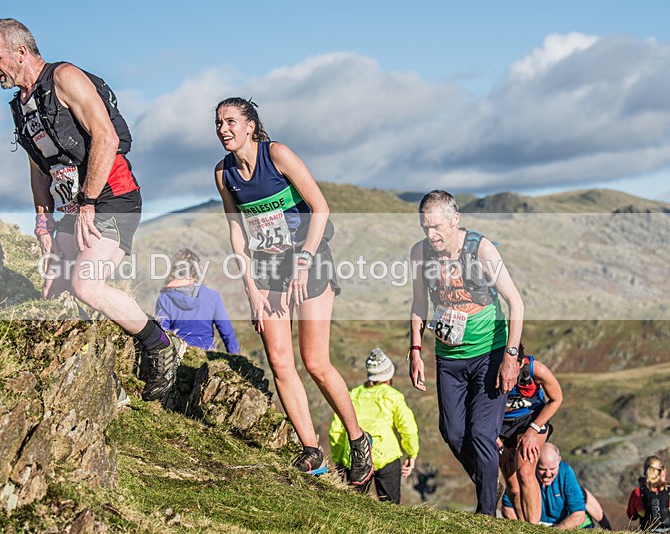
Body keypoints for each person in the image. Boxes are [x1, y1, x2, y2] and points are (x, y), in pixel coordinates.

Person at [0, 19, 185, 404]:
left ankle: (159, 345)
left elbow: (106, 137)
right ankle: (91, 369)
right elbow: (39, 167)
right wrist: (44, 223)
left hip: (112, 196)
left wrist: (89, 202)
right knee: (55, 285)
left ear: (20, 53)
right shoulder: (21, 106)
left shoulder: (65, 77)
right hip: (76, 206)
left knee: (86, 285)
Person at [213, 97, 373, 484]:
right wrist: (249, 285)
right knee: (280, 361)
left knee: (315, 361)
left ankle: (358, 439)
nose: (223, 129)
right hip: (268, 269)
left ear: (251, 125)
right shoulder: (224, 173)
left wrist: (304, 259)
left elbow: (320, 207)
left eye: (231, 121)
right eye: (218, 123)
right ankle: (311, 451)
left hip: (310, 259)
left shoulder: (278, 154)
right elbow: (237, 229)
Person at [408, 189, 524, 515]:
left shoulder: (481, 249)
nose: (431, 235)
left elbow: (516, 302)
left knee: (482, 434)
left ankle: (486, 514)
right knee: (453, 432)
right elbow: (419, 303)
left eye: (437, 228)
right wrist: (415, 350)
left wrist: (510, 358)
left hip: (490, 353)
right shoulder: (420, 254)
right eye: (425, 228)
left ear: (454, 220)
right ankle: (489, 483)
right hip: (448, 356)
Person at [328, 348, 419, 503]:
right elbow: (408, 427)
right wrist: (412, 453)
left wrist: (338, 459)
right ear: (389, 375)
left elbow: (336, 431)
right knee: (391, 507)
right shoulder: (393, 396)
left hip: (355, 455)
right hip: (386, 455)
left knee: (353, 504)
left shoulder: (352, 395)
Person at [498, 344, 563, 523]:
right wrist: (493, 437)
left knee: (525, 472)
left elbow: (557, 399)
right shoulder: (489, 370)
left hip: (531, 419)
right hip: (500, 424)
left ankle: (534, 526)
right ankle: (522, 524)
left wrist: (533, 430)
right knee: (512, 484)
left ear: (521, 363)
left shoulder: (536, 370)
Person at [154, 248, 241, 354]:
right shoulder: (212, 296)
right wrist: (236, 358)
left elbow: (162, 333)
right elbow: (227, 332)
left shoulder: (165, 298)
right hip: (208, 354)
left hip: (179, 354)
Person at [627, 455, 670, 532]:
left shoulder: (637, 492)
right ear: (663, 472)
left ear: (645, 473)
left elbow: (631, 515)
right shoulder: (668, 491)